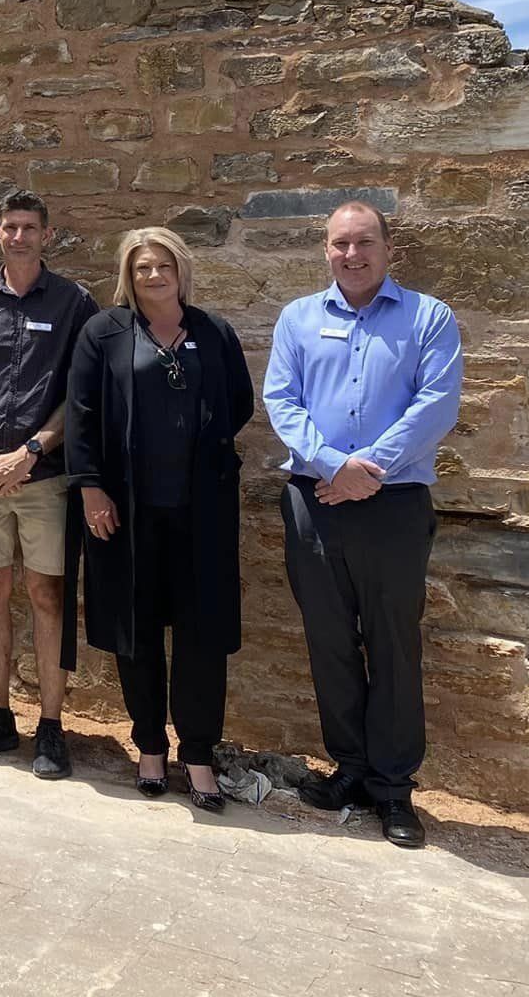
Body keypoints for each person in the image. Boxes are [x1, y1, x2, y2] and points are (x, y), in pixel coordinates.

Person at [264, 201, 461, 849]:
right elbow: (282, 402)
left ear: (388, 247)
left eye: (364, 242)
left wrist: (364, 469)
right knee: (330, 642)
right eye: (340, 244)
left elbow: (436, 404)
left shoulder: (428, 318)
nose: (352, 255)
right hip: (312, 500)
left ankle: (393, 789)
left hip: (393, 505)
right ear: (325, 250)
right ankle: (349, 769)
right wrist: (330, 465)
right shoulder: (298, 319)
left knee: (393, 645)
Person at [69, 227, 253, 812]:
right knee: (136, 630)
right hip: (127, 514)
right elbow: (81, 414)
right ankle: (150, 746)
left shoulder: (212, 332)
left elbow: (238, 403)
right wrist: (92, 490)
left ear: (181, 269)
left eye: (163, 266)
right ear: (129, 274)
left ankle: (197, 755)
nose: (153, 276)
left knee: (201, 638)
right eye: (142, 267)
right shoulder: (104, 332)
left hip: (200, 515)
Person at [0, 189, 98, 776]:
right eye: (11, 226)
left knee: (47, 595)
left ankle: (51, 727)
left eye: (31, 226)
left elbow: (79, 398)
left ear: (47, 235)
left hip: (44, 478)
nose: (20, 236)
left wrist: (29, 452)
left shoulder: (75, 302)